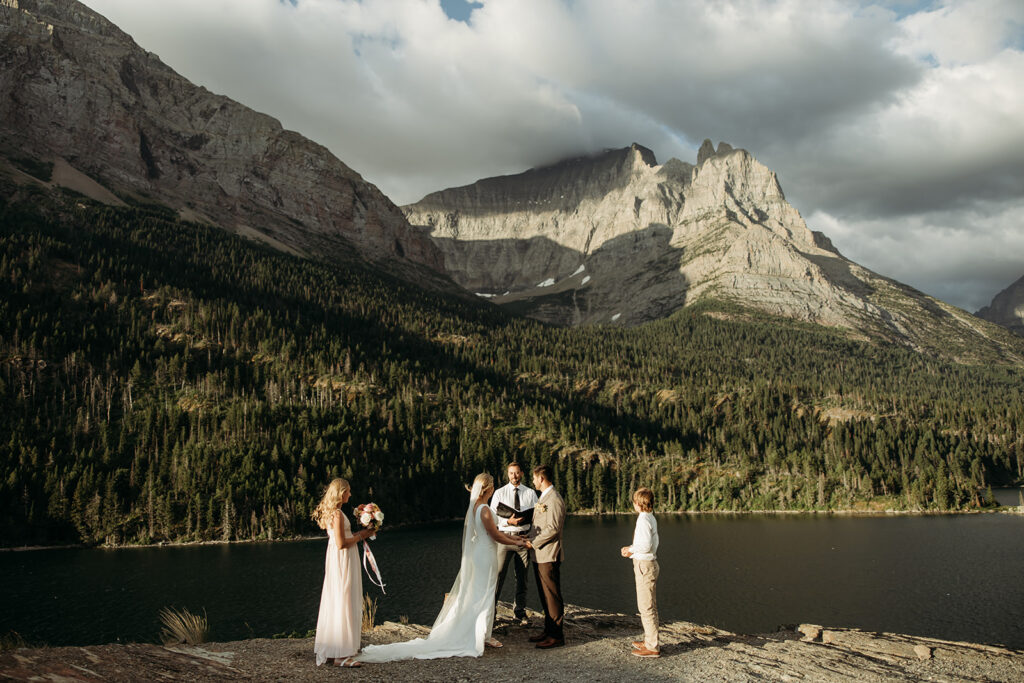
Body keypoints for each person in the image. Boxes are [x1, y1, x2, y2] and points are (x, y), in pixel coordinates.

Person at [356, 473, 530, 662]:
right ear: (488, 489)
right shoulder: (485, 510)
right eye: (492, 486)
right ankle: (481, 636)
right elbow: (496, 536)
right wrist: (518, 543)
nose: (494, 488)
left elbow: (495, 533)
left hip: (480, 553)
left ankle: (482, 633)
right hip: (486, 554)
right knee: (485, 593)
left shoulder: (475, 508)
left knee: (479, 593)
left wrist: (516, 539)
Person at [312, 478, 375, 668]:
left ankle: (336, 650)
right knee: (344, 599)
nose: (350, 494)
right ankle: (341, 655)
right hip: (343, 559)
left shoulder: (335, 513)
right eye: (348, 491)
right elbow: (341, 543)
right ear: (341, 493)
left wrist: (359, 516)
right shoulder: (337, 514)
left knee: (339, 599)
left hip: (339, 559)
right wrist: (362, 535)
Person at [490, 461, 539, 626]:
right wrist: (509, 522)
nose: (514, 476)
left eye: (517, 473)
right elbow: (492, 518)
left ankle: (519, 613)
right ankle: (491, 613)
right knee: (498, 576)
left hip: (523, 539)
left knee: (522, 578)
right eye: (511, 473)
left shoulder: (531, 493)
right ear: (507, 474)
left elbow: (537, 516)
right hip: (504, 538)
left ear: (522, 474)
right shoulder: (499, 493)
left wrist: (530, 537)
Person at [528, 464, 566, 649]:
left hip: (549, 554)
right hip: (539, 554)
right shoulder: (544, 497)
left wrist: (532, 542)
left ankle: (557, 635)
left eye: (534, 478)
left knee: (552, 595)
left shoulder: (554, 499)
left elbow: (553, 529)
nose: (533, 481)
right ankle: (548, 630)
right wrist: (527, 537)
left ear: (541, 478)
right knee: (545, 595)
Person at [621, 487, 660, 658]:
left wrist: (629, 549)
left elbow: (645, 546)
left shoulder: (643, 520)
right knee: (649, 605)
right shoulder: (650, 517)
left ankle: (652, 647)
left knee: (646, 607)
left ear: (638, 503)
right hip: (648, 564)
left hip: (645, 565)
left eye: (634, 501)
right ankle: (650, 640)